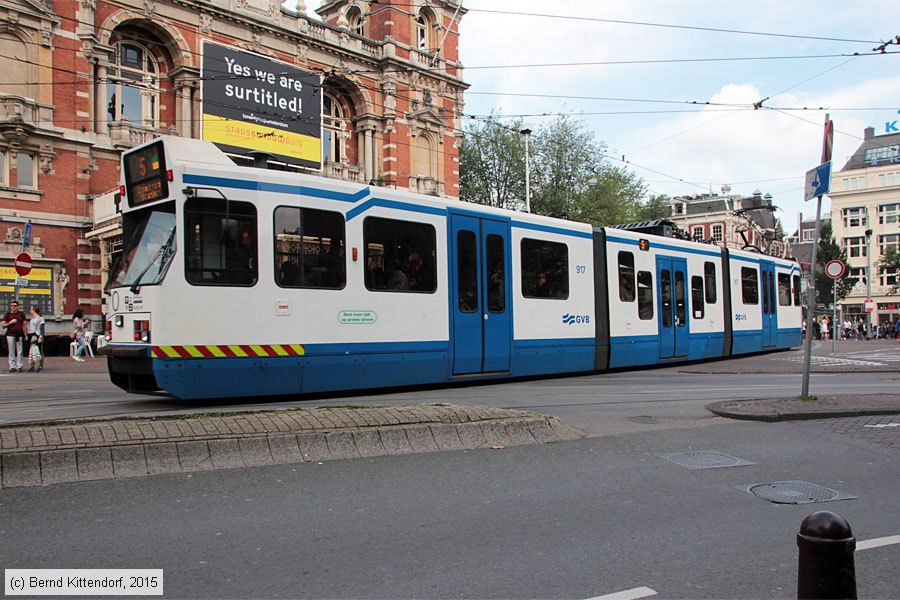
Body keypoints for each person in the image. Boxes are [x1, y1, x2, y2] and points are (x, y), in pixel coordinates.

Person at [2, 299, 26, 372]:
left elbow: (25, 325)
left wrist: (25, 334)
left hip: (19, 334)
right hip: (10, 334)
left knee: (20, 351)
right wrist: (10, 322)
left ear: (17, 307)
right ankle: (12, 366)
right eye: (11, 306)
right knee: (11, 351)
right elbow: (3, 325)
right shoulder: (7, 314)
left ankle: (19, 366)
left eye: (14, 306)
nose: (13, 307)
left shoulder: (21, 314)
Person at [26, 306, 45, 372]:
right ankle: (32, 366)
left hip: (38, 335)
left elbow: (42, 328)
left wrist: (41, 336)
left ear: (34, 310)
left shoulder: (40, 318)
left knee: (40, 351)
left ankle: (41, 366)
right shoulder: (32, 319)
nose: (30, 310)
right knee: (32, 351)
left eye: (31, 309)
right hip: (32, 336)